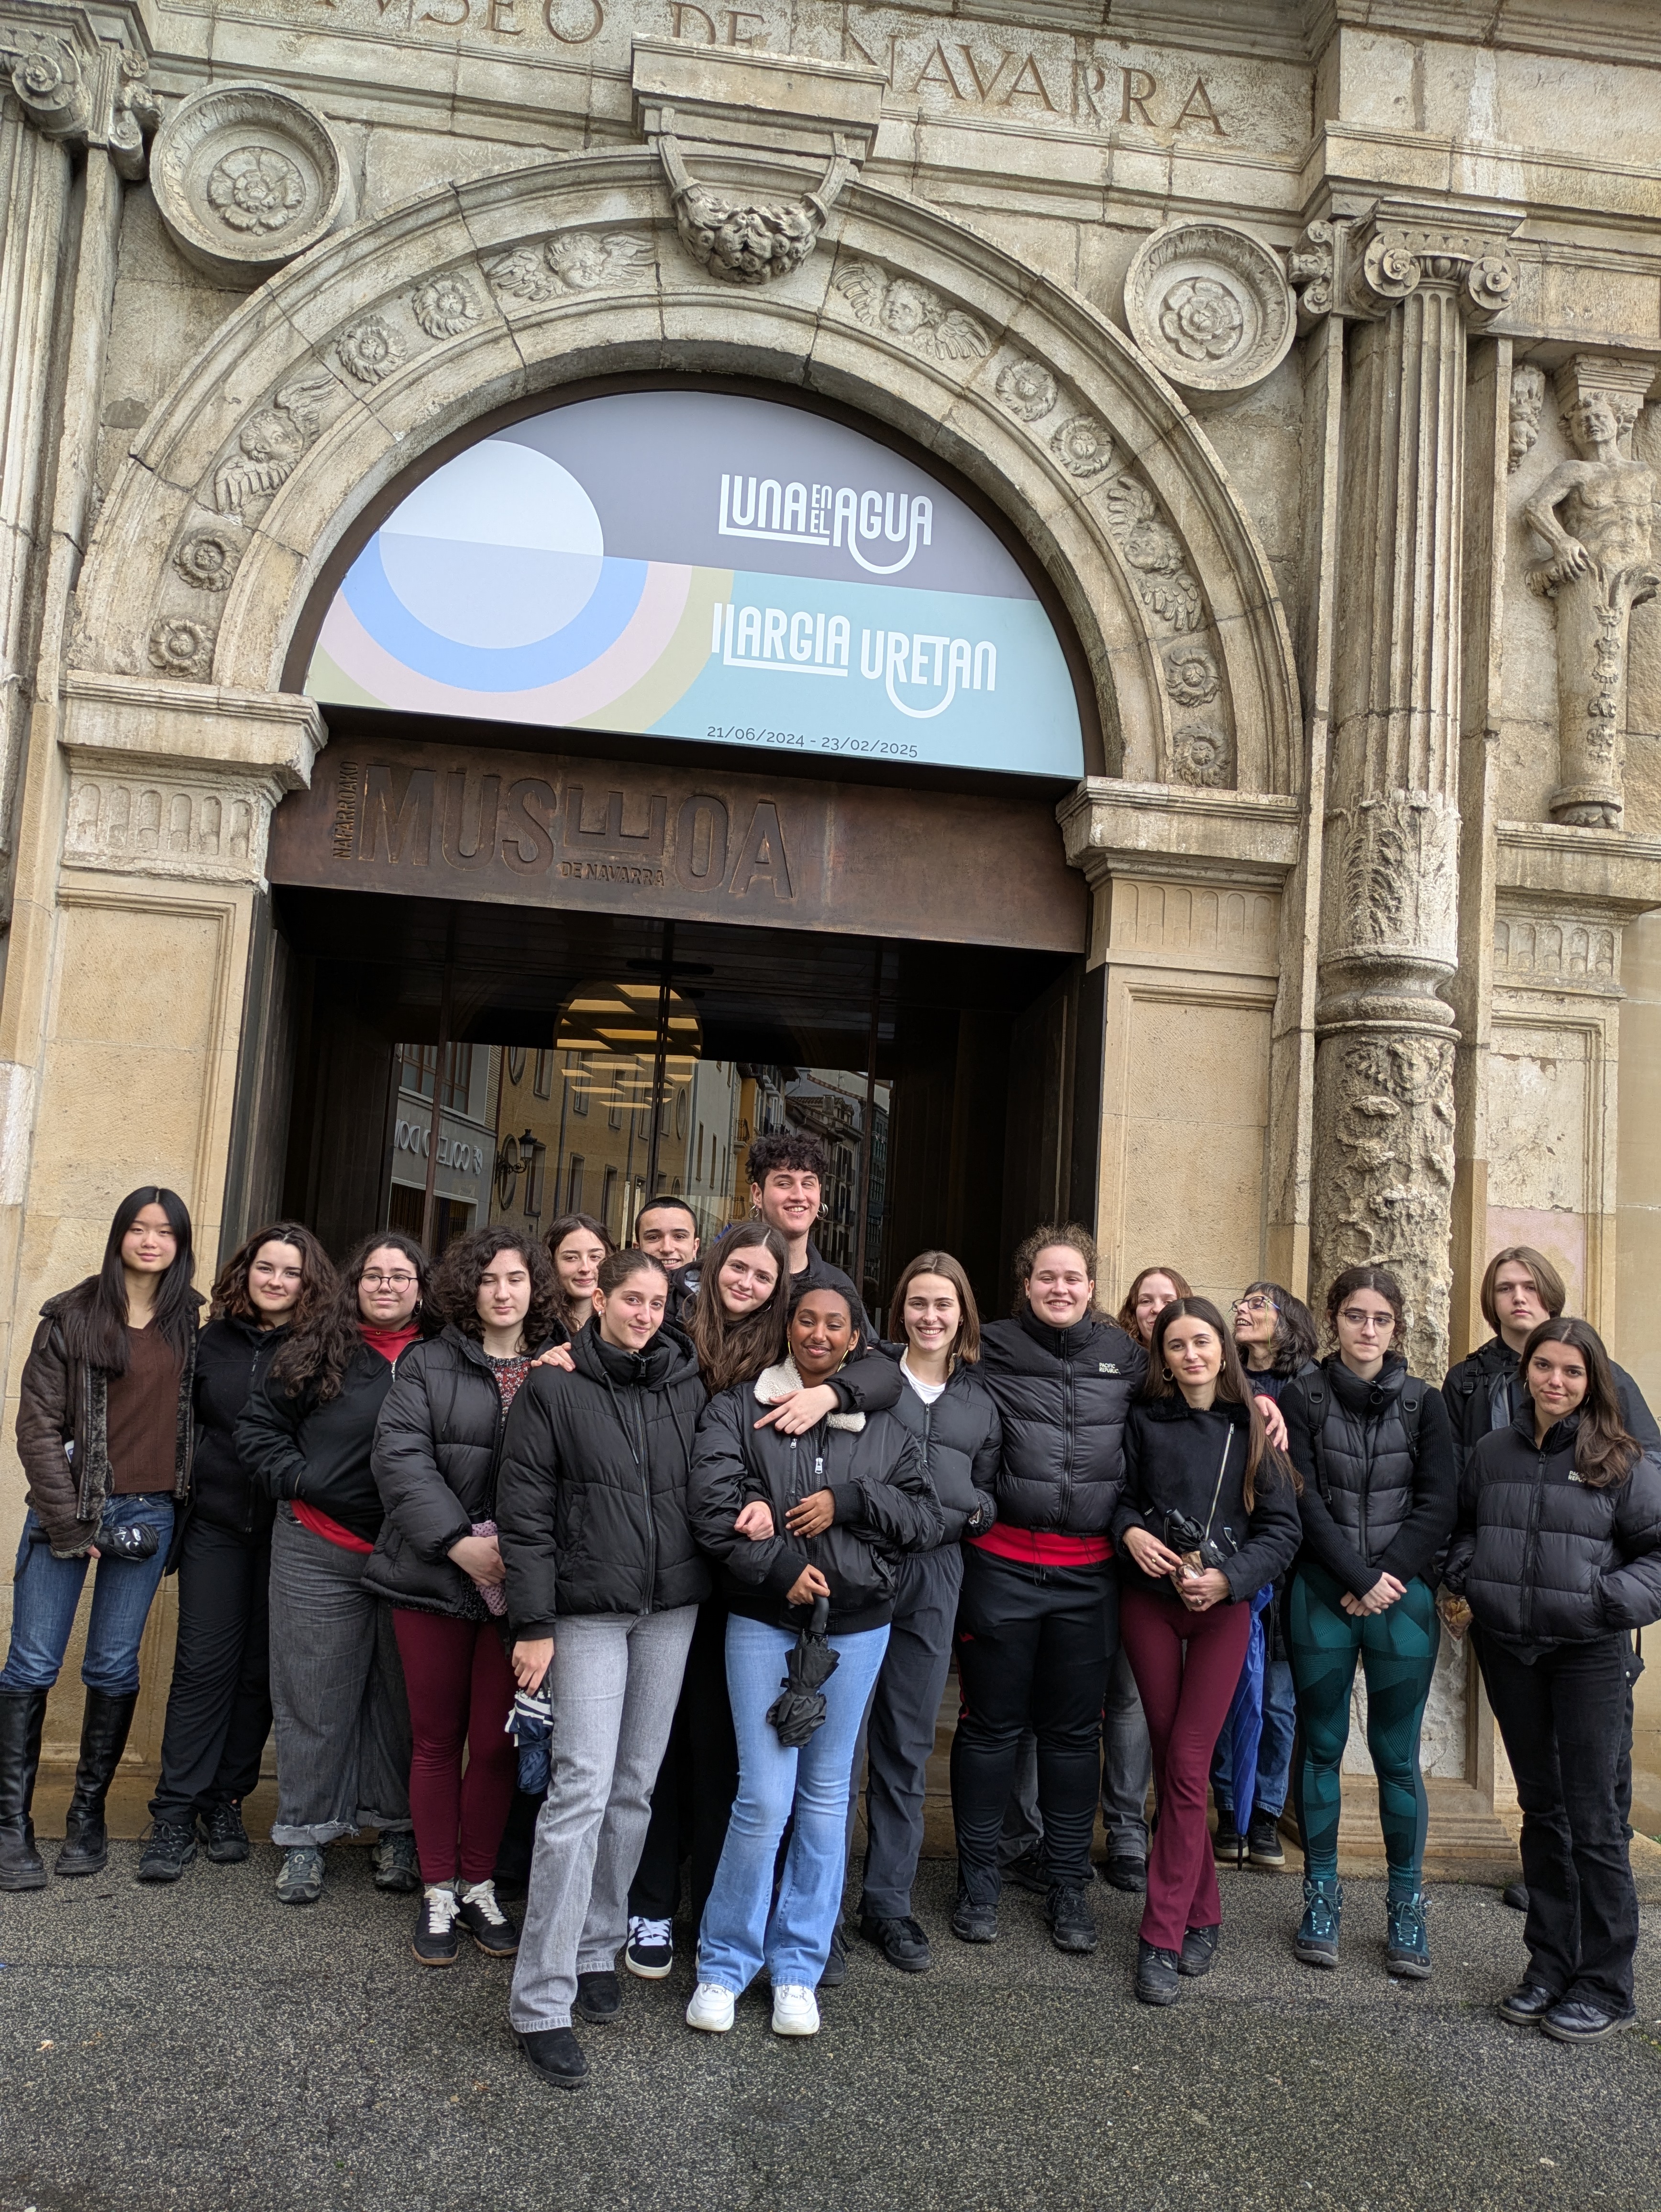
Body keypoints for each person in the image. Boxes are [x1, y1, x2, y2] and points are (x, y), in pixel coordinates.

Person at [685, 1283, 941, 2040]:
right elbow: (712, 1504)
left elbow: (924, 1519)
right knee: (763, 1798)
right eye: (807, 1320)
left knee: (827, 1800)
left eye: (837, 1324)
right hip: (765, 1621)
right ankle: (725, 1963)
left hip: (857, 1630)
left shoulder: (890, 1423)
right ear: (786, 1328)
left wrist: (851, 1499)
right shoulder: (740, 1407)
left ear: (857, 1338)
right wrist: (774, 1566)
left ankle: (797, 1966)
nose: (820, 1334)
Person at [497, 1250, 709, 2091]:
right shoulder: (552, 1386)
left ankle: (595, 1944)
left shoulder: (687, 1383)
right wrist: (534, 1622)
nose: (644, 1312)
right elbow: (525, 1510)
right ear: (599, 1299)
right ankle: (540, 1999)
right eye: (630, 1297)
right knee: (579, 1787)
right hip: (584, 1609)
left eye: (657, 1300)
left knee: (634, 1786)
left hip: (670, 1608)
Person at [1444, 1317, 1661, 2043]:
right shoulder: (1492, 1452)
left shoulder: (1622, 1461)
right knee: (1542, 1812)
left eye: (1571, 1371)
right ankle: (1548, 1965)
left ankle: (1605, 1983)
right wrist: (1469, 1574)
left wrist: (1603, 1602)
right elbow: (1467, 1525)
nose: (1556, 1382)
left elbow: (1656, 1557)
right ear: (1525, 1372)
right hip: (1513, 1652)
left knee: (1596, 1822)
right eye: (1544, 1367)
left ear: (1591, 1379)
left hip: (1589, 1657)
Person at [368, 1227, 566, 1967]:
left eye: (516, 1279)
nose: (503, 1292)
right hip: (434, 1577)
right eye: (488, 1280)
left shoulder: (560, 1367)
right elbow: (400, 1458)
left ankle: (479, 1884)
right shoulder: (427, 1363)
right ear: (468, 1289)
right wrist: (459, 1544)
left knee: (495, 1743)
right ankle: (437, 1889)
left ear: (533, 1288)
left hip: (523, 1592)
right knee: (434, 1740)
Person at [950, 1224, 1143, 1956]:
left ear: (1093, 1287)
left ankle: (1067, 1885)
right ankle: (979, 1881)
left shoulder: (1126, 1357)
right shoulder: (988, 1345)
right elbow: (910, 1369)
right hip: (1001, 1565)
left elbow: (1201, 1397)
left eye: (1074, 1278)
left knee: (1071, 1737)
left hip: (1089, 1573)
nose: (1061, 1289)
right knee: (991, 1727)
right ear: (1026, 1284)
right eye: (1046, 1277)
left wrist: (1265, 1411)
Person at [0, 1189, 201, 1891]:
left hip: (148, 1516)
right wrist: (68, 1521)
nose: (151, 1241)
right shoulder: (72, 1315)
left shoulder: (191, 1322)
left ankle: (88, 1816)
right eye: (139, 1229)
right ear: (119, 1236)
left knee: (114, 1666)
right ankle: (11, 1826)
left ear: (179, 1243)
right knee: (31, 1662)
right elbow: (36, 1428)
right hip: (70, 1511)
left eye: (165, 1231)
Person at [1113, 1297, 1301, 2004]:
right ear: (1161, 1355)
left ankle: (1160, 1936)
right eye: (1177, 1345)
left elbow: (1282, 1532)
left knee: (1189, 1765)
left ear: (1223, 1350)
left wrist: (1230, 1579)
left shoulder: (1255, 1427)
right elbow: (1118, 1499)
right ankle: (1206, 1910)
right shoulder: (1143, 1422)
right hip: (1149, 1606)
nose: (1191, 1355)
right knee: (1174, 1764)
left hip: (1220, 1612)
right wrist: (1129, 1532)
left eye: (1202, 1342)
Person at [237, 1231, 433, 1907]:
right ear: (354, 1285)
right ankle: (304, 1838)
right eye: (373, 1275)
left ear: (421, 1286)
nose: (385, 1286)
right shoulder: (316, 1349)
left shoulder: (442, 1356)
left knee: (401, 1699)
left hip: (415, 1555)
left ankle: (397, 1831)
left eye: (400, 1275)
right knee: (313, 1695)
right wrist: (304, 1479)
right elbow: (257, 1431)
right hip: (318, 1548)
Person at [139, 1222, 336, 1883]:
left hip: (290, 1532)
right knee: (203, 1669)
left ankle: (225, 1800)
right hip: (217, 1527)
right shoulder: (208, 1341)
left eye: (291, 1273)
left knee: (260, 1673)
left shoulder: (320, 1349)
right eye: (266, 1269)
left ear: (309, 1284)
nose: (277, 1281)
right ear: (245, 1273)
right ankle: (173, 1814)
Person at [1279, 1266, 1457, 1977]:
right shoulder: (1303, 1397)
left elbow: (1441, 1500)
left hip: (1402, 1600)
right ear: (1335, 1320)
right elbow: (1299, 1496)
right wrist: (1355, 1578)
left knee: (1396, 1758)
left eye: (1381, 1319)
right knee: (1320, 1746)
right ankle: (1320, 1895)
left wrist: (1387, 1578)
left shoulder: (1426, 1404)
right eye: (1355, 1316)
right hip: (1323, 1594)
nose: (1367, 1330)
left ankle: (1406, 1908)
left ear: (1397, 1327)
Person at [624, 1222, 790, 1981]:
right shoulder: (670, 1341)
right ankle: (650, 1904)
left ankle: (718, 1914)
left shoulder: (794, 1359)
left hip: (750, 1584)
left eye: (763, 1275)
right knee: (662, 1747)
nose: (747, 1284)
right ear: (713, 1267)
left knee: (726, 1755)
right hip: (673, 1570)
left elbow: (877, 1378)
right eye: (738, 1269)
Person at [852, 1251, 999, 1973]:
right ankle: (815, 1901)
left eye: (943, 1304)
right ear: (900, 1311)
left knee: (906, 1745)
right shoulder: (873, 1377)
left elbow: (992, 1489)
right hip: (862, 1564)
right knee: (837, 1747)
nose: (930, 1317)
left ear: (963, 1314)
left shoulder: (981, 1399)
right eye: (918, 1303)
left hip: (937, 1574)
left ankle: (888, 1902)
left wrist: (974, 1511)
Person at [1210, 1281, 1318, 1870]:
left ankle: (1267, 1814)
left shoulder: (1310, 1387)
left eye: (1259, 1303)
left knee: (1278, 1700)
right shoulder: (1222, 1380)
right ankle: (1229, 1808)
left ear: (1288, 1321)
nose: (1244, 1311)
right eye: (1241, 1305)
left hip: (1292, 1561)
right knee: (1230, 1693)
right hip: (1231, 1552)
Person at [1442, 1247, 1661, 1474]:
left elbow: (1650, 1463)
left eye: (1531, 1287)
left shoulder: (1602, 1373)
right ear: (1492, 1300)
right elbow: (1448, 1471)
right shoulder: (1467, 1379)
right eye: (1505, 1289)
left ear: (1550, 1294)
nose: (1519, 1298)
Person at [544, 1211, 613, 1338]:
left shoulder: (624, 1320)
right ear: (552, 1263)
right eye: (571, 1258)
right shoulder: (535, 1325)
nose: (585, 1268)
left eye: (595, 1257)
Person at [636, 1195, 702, 1317]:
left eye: (679, 1237)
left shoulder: (717, 1301)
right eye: (654, 1237)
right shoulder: (616, 1300)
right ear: (637, 1248)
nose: (667, 1248)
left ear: (695, 1247)